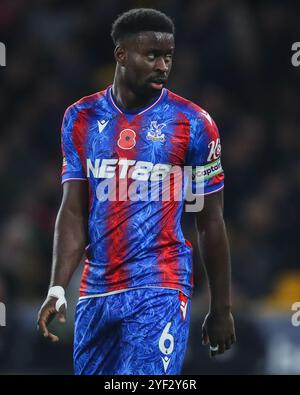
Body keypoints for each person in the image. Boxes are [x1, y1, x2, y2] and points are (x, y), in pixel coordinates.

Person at [37, 8, 236, 375]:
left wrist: (220, 308)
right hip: (96, 292)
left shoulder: (193, 124)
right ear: (121, 55)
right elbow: (74, 210)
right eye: (152, 55)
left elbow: (210, 220)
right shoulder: (80, 117)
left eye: (168, 56)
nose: (163, 65)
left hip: (159, 287)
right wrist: (57, 288)